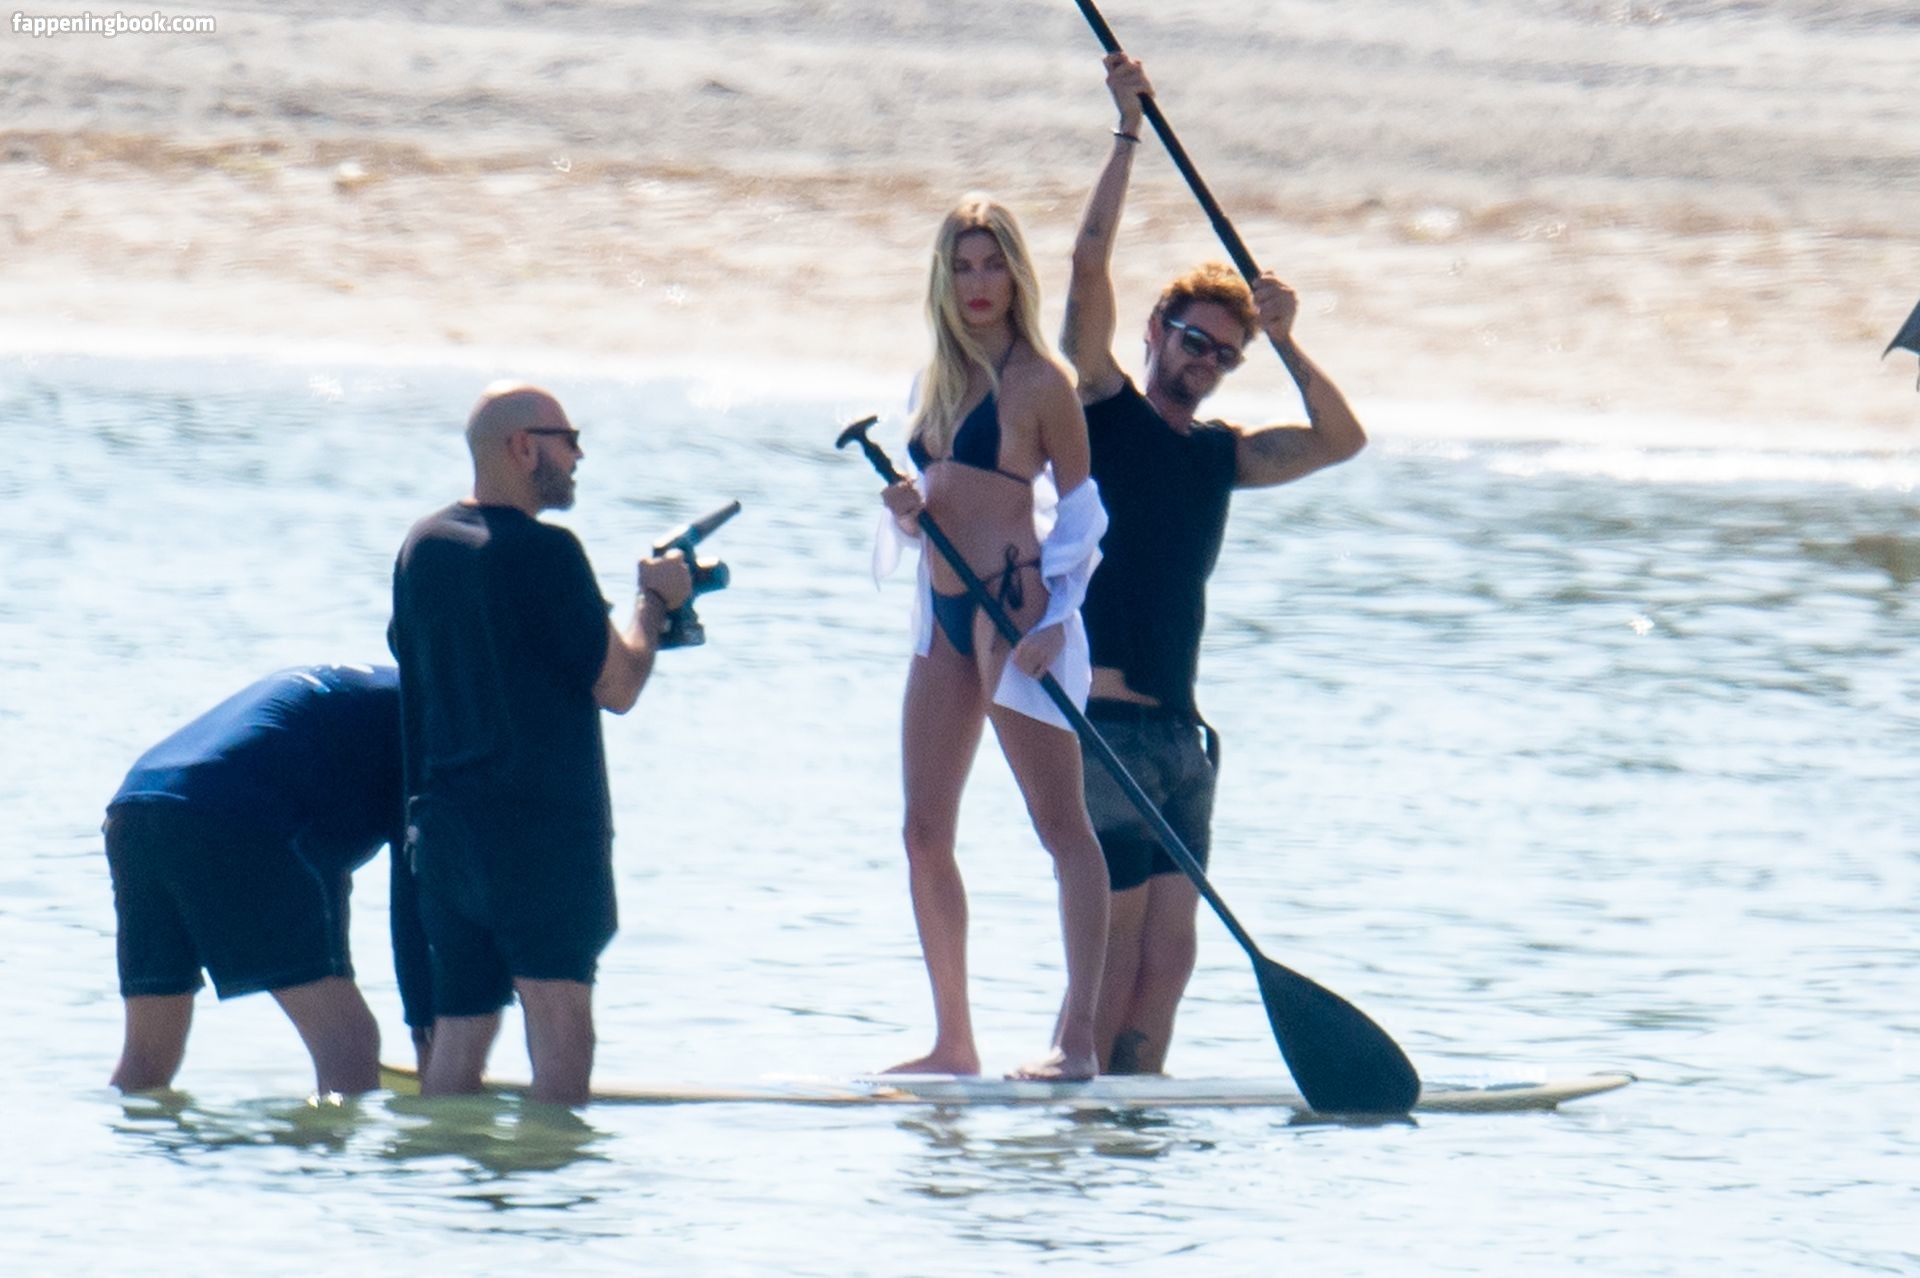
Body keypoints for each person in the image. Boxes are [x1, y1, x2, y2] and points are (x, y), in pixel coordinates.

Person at [1061, 53, 1370, 1075]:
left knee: (1173, 956)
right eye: (1194, 341)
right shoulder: (1102, 410)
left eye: (1223, 355)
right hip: (1104, 728)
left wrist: (1284, 341)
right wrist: (1126, 134)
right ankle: (1087, 1092)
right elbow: (1087, 269)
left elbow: (1340, 440)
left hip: (1181, 740)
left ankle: (1136, 1099)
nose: (1203, 361)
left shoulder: (1221, 454)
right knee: (1113, 949)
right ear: (1158, 331)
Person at [388, 382, 691, 1107]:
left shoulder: (422, 545)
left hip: (448, 835)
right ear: (524, 448)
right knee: (561, 1028)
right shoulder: (548, 553)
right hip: (543, 839)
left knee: (461, 1034)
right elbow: (617, 683)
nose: (579, 456)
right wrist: (655, 604)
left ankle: (446, 1168)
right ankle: (551, 1173)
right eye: (569, 440)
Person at [874, 194, 1111, 1081]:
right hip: (940, 617)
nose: (979, 283)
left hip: (1014, 615)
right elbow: (932, 506)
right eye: (962, 266)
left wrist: (1056, 623)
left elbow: (1083, 518)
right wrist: (905, 511)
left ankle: (1077, 1040)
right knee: (922, 831)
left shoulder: (1043, 382)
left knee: (1062, 827)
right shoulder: (933, 381)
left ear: (1017, 274)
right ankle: (954, 1043)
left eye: (993, 264)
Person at [103, 662, 431, 1095]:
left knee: (147, 1058)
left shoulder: (372, 695)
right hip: (232, 813)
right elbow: (415, 898)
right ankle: (326, 1140)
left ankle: (120, 1135)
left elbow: (324, 868)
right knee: (349, 1045)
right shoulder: (428, 721)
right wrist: (427, 1035)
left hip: (135, 808)